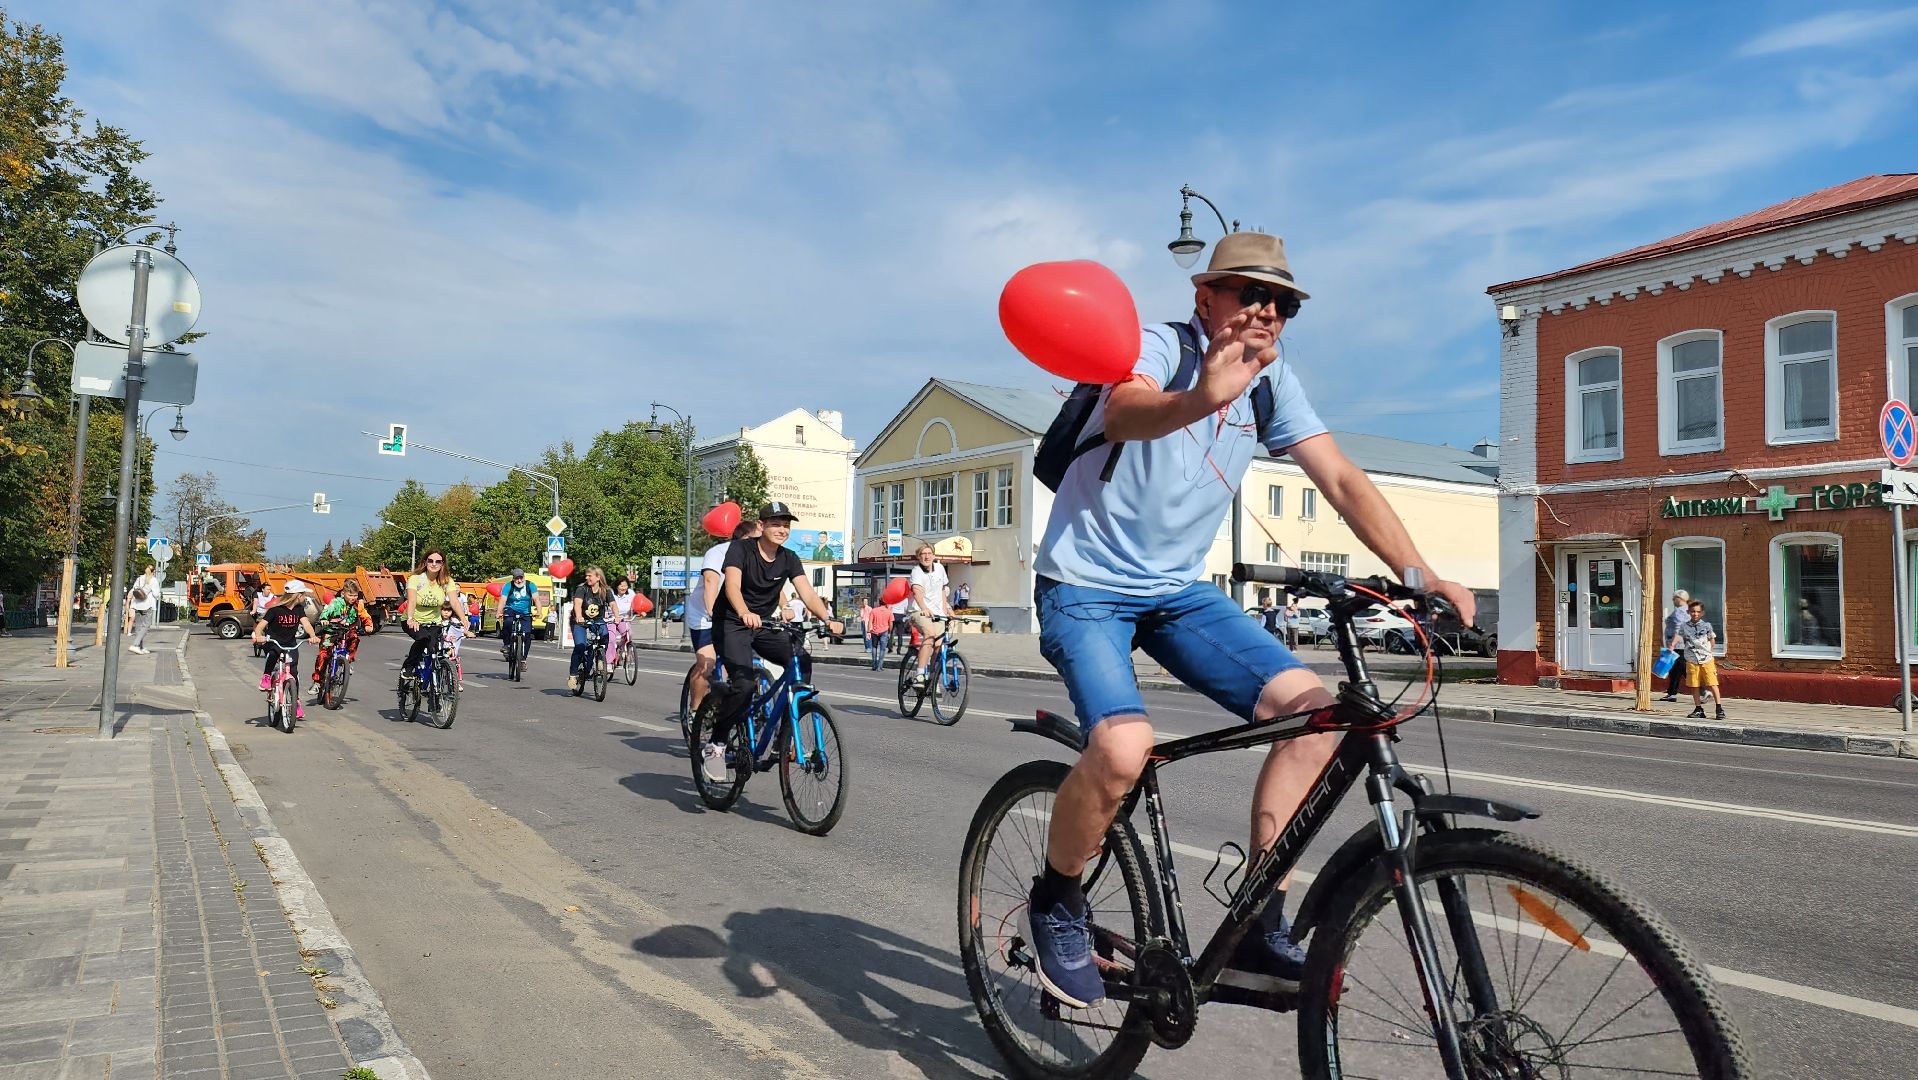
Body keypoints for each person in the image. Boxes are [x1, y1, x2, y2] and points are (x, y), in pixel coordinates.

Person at [1021, 231, 1476, 1009]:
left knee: (1319, 715)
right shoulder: (1160, 346)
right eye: (1251, 293)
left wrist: (1418, 571)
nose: (1269, 311)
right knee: (1124, 750)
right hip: (1085, 586)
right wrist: (1204, 395)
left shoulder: (1274, 380)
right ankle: (1058, 899)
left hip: (1177, 592)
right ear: (1206, 297)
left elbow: (1338, 476)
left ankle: (1261, 923)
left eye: (1285, 303)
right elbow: (1127, 412)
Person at [702, 502, 844, 782]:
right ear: (762, 525)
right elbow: (730, 585)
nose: (782, 529)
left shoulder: (789, 557)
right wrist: (743, 612)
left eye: (786, 525)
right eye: (776, 524)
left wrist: (828, 619)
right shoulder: (741, 549)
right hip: (731, 622)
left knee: (800, 659)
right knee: (743, 685)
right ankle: (716, 744)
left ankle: (784, 734)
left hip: (763, 624)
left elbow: (807, 593)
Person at [687, 520, 761, 714]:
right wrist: (713, 613)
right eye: (756, 540)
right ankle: (695, 712)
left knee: (746, 666)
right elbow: (711, 583)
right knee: (708, 664)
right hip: (704, 614)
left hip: (734, 614)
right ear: (743, 539)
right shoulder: (718, 553)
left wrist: (786, 608)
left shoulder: (760, 557)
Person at [399, 550, 465, 691]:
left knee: (434, 652)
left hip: (434, 622)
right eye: (430, 560)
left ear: (442, 564)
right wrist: (411, 618)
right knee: (422, 638)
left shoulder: (446, 581)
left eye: (438, 561)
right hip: (412, 620)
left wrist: (464, 619)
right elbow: (411, 601)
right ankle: (409, 668)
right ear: (425, 562)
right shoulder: (416, 579)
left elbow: (454, 601)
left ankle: (434, 693)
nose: (434, 564)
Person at [251, 581, 318, 719]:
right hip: (274, 640)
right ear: (296, 595)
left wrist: (313, 636)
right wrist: (259, 636)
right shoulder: (275, 609)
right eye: (303, 594)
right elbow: (260, 626)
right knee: (273, 653)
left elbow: (306, 624)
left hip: (290, 642)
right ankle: (267, 676)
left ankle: (295, 701)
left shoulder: (299, 609)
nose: (305, 597)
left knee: (293, 671)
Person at [310, 581, 372, 700]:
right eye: (350, 595)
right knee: (323, 655)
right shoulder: (336, 602)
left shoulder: (358, 605)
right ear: (343, 594)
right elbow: (326, 612)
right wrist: (324, 619)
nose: (353, 598)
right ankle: (317, 682)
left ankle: (348, 661)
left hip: (347, 631)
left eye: (355, 595)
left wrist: (368, 625)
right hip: (332, 630)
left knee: (355, 638)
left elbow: (365, 615)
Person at [1672, 599, 1725, 721]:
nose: (1695, 614)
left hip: (1706, 659)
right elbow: (1679, 638)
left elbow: (1712, 640)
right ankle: (1698, 709)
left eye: (1698, 612)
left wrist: (1709, 652)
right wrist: (1672, 646)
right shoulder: (1684, 627)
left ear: (1702, 613)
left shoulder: (1706, 626)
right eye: (1692, 611)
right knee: (1694, 685)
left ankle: (1719, 708)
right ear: (1689, 612)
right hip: (1691, 660)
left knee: (1712, 683)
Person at [907, 543, 951, 686]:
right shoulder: (916, 572)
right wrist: (924, 608)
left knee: (939, 644)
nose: (926, 556)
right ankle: (920, 674)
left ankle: (932, 679)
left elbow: (942, 591)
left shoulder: (940, 568)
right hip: (919, 611)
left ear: (933, 555)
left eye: (929, 553)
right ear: (918, 557)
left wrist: (946, 609)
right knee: (930, 634)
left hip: (937, 613)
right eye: (923, 554)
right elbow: (917, 592)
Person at [567, 566, 613, 692]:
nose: (587, 578)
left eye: (590, 575)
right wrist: (579, 616)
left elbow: (613, 604)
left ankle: (599, 659)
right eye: (586, 575)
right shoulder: (582, 589)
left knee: (604, 635)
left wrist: (617, 616)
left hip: (597, 620)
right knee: (580, 646)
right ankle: (573, 675)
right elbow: (577, 603)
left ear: (598, 577)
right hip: (580, 622)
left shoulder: (605, 590)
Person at [498, 570, 537, 663]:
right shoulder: (508, 586)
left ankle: (523, 660)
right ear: (513, 578)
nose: (519, 581)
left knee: (527, 634)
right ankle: (507, 645)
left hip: (525, 612)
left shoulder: (530, 585)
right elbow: (503, 600)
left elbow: (536, 599)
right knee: (507, 623)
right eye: (516, 578)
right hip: (510, 610)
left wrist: (539, 611)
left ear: (524, 577)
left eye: (521, 578)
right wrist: (499, 612)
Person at [1660, 589, 1690, 701]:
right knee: (1675, 670)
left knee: (1683, 669)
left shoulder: (1679, 612)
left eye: (1674, 598)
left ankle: (1704, 691)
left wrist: (1672, 644)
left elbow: (1678, 628)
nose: (1673, 600)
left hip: (1678, 645)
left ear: (1679, 599)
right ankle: (1672, 693)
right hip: (1683, 644)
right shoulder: (1688, 610)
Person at [126, 563, 161, 653]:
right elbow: (156, 594)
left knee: (138, 626)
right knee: (146, 626)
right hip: (147, 605)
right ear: (154, 571)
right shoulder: (153, 580)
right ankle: (135, 645)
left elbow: (134, 589)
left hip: (137, 604)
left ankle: (140, 647)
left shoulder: (139, 578)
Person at [608, 577, 637, 669]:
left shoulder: (631, 593)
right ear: (616, 586)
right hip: (610, 618)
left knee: (629, 634)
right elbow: (604, 604)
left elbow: (636, 604)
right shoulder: (610, 593)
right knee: (611, 639)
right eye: (621, 586)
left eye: (625, 586)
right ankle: (608, 662)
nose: (624, 588)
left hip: (623, 619)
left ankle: (622, 650)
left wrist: (640, 611)